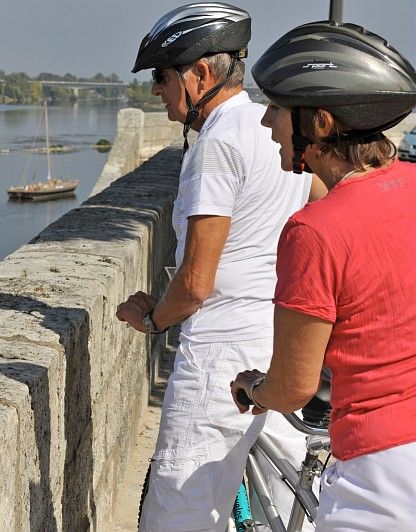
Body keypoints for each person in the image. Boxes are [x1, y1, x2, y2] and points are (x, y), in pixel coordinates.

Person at [116, 3, 324, 530]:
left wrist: (152, 320)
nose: (156, 90)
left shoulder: (217, 145)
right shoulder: (272, 131)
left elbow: (194, 283)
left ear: (201, 73)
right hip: (277, 339)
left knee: (178, 512)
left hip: (221, 355)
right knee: (286, 505)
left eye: (162, 77)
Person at [231, 21, 416, 530]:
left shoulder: (313, 232)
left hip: (381, 472)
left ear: (319, 123)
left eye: (278, 109)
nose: (268, 123)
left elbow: (293, 386)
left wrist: (254, 387)